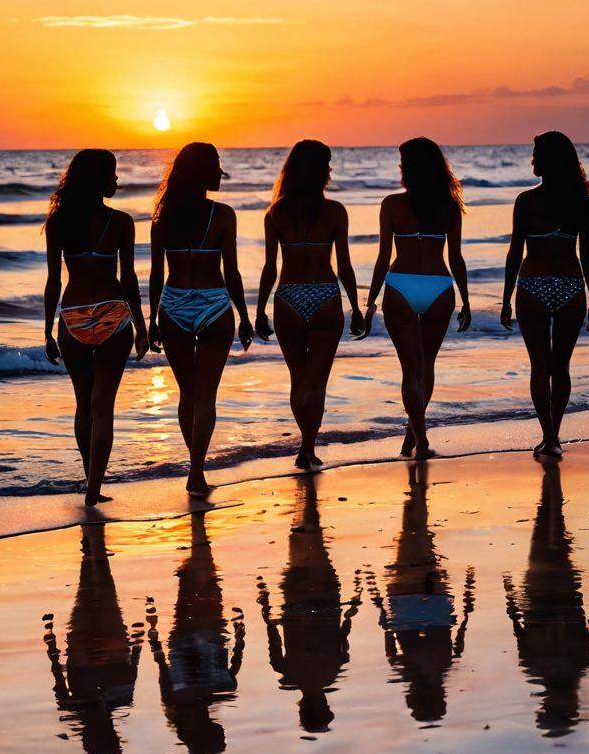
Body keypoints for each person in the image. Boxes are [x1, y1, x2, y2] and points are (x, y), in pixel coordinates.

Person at [44, 149, 148, 506]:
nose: (117, 181)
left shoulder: (59, 223)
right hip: (113, 316)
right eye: (112, 175)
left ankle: (90, 478)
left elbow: (54, 281)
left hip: (72, 316)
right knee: (103, 407)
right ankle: (92, 490)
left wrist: (47, 329)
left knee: (83, 407)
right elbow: (129, 279)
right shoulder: (121, 222)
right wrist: (142, 325)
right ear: (97, 179)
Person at [149, 143, 253, 497]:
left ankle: (195, 467)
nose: (220, 175)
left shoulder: (164, 220)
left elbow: (154, 275)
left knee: (187, 394)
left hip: (173, 305)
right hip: (213, 305)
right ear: (203, 174)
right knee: (206, 396)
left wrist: (151, 319)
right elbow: (232, 272)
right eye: (216, 168)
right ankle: (196, 471)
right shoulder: (223, 215)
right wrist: (243, 314)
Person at [255, 141, 364, 469]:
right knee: (317, 381)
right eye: (326, 166)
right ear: (318, 171)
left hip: (288, 297)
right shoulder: (334, 212)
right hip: (324, 297)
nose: (330, 171)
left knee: (298, 380)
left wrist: (259, 309)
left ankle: (305, 444)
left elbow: (270, 268)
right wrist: (356, 307)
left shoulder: (276, 212)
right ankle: (307, 446)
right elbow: (344, 265)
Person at [361, 138, 471, 459]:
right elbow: (457, 258)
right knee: (427, 365)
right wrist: (465, 300)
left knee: (410, 369)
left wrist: (370, 303)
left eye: (402, 163)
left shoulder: (392, 204)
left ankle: (419, 438)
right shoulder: (449, 206)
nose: (399, 168)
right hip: (439, 287)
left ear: (409, 168)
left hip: (401, 287)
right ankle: (414, 435)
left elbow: (383, 257)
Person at [500, 131, 589, 457]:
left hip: (533, 286)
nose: (532, 160)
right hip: (571, 287)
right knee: (562, 366)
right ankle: (555, 434)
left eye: (536, 154)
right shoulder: (581, 202)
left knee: (540, 366)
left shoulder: (526, 201)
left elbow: (515, 253)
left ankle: (550, 437)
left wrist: (505, 299)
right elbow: (587, 253)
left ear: (548, 160)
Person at [366, 465, 474, 723]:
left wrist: (467, 601)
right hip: (404, 607)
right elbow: (390, 642)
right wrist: (382, 609)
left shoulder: (445, 667)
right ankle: (415, 497)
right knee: (408, 545)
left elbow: (458, 634)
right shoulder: (406, 670)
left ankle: (417, 496)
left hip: (437, 606)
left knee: (422, 545)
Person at [256, 476, 361, 733]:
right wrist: (266, 608)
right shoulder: (286, 674)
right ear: (302, 708)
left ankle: (308, 498)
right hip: (295, 604)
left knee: (317, 546)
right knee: (298, 546)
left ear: (325, 704)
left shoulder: (333, 671)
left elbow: (343, 635)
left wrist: (350, 610)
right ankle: (306, 498)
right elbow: (273, 634)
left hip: (326, 605)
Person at [503, 462, 589, 737]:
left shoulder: (579, 664)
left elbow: (587, 632)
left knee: (553, 543)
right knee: (543, 542)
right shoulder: (536, 666)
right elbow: (520, 630)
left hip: (561, 596)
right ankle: (550, 492)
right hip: (543, 596)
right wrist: (511, 603)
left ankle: (551, 493)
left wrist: (511, 602)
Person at [42, 524, 142, 754]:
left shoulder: (74, 708)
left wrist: (53, 648)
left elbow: (58, 676)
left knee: (88, 591)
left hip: (85, 655)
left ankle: (93, 541)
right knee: (100, 588)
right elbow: (133, 667)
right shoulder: (120, 701)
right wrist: (138, 641)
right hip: (106, 651)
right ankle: (94, 540)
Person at [150, 511, 245, 754]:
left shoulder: (196, 696)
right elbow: (233, 663)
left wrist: (155, 640)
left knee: (201, 579)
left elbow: (163, 669)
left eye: (219, 735)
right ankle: (197, 530)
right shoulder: (218, 691)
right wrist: (239, 635)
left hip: (193, 633)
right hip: (204, 632)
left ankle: (197, 526)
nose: (223, 732)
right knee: (205, 581)